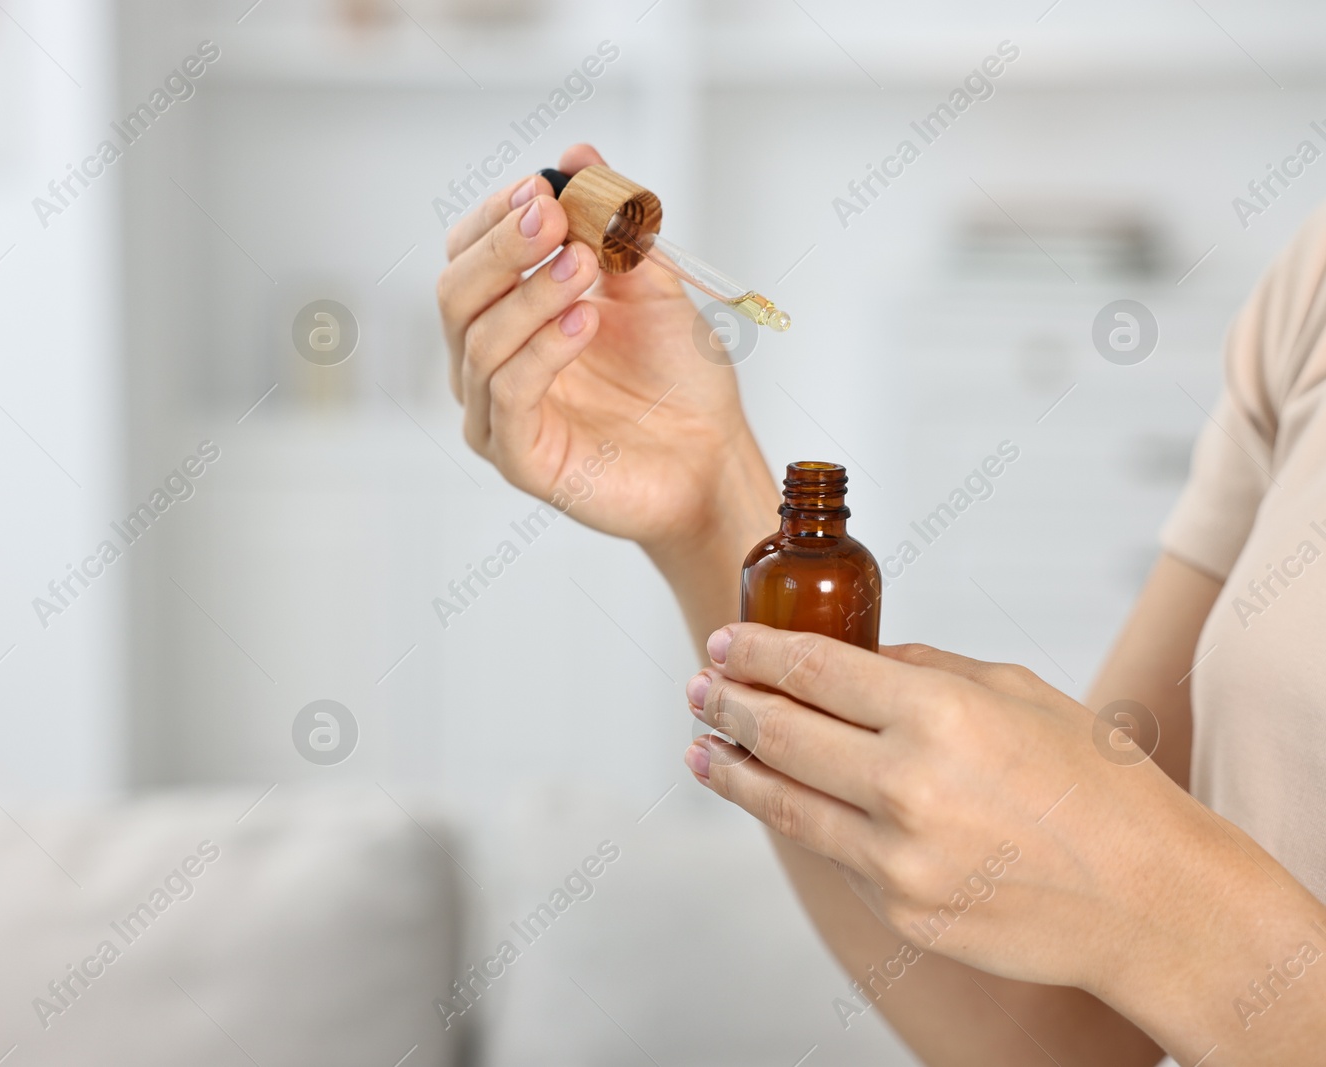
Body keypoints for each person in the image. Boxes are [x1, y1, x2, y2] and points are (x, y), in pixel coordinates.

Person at [435, 143, 1326, 1064]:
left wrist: (1148, 886)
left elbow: (1141, 918)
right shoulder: (1311, 290)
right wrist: (709, 503)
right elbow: (1067, 1040)